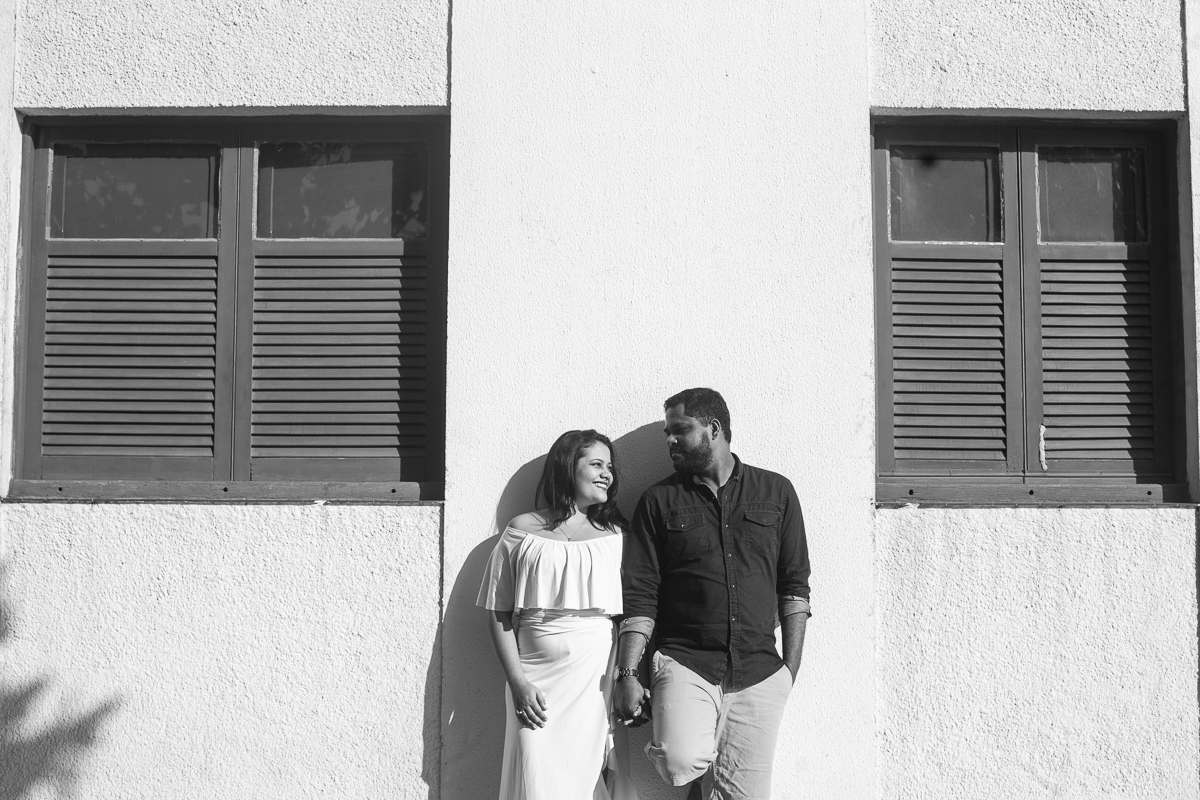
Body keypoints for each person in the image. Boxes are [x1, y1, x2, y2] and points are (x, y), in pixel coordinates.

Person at [614, 388, 811, 800]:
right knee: (677, 761)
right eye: (667, 432)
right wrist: (628, 672)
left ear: (713, 429)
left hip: (759, 669)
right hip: (687, 659)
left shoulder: (776, 493)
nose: (669, 441)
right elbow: (640, 596)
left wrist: (789, 670)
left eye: (679, 431)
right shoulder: (658, 501)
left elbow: (794, 587)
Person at [478, 429, 638, 800]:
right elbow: (498, 613)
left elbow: (632, 615)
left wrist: (630, 676)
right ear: (568, 467)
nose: (607, 474)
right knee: (534, 779)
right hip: (533, 680)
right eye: (596, 464)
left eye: (610, 467)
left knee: (586, 780)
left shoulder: (618, 537)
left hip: (594, 679)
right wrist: (517, 683)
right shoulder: (521, 531)